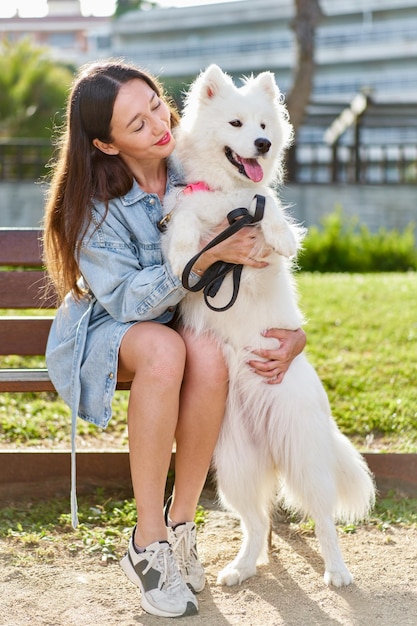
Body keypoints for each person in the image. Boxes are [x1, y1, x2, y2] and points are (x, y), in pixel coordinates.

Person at [43, 60, 306, 619]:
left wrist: (295, 335)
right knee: (167, 349)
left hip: (178, 324)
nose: (160, 125)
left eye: (158, 105)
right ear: (106, 145)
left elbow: (264, 256)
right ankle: (148, 539)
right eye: (137, 125)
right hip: (110, 328)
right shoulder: (95, 206)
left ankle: (182, 525)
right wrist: (206, 256)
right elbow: (128, 304)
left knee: (205, 353)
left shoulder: (198, 162)